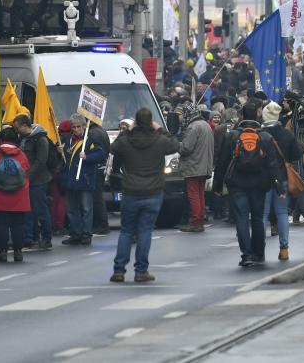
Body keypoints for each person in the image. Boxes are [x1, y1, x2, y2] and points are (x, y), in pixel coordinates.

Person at [110, 108, 180, 282]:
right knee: (145, 231)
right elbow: (176, 145)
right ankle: (141, 270)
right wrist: (160, 129)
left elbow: (113, 148)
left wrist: (126, 131)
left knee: (126, 231)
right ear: (151, 122)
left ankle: (119, 270)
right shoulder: (159, 140)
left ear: (135, 122)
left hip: (131, 191)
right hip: (153, 191)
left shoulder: (126, 141)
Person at [213, 102, 285, 266]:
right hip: (259, 184)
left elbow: (222, 162)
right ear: (257, 116)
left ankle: (246, 255)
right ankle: (259, 253)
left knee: (241, 218)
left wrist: (217, 185)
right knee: (258, 219)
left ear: (242, 117)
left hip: (237, 184)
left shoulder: (232, 135)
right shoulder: (265, 137)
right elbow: (273, 164)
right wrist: (279, 186)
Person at [261, 101, 304, 260]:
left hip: (264, 179)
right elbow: (298, 152)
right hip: (283, 178)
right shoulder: (286, 134)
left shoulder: (260, 134)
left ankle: (260, 249)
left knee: (262, 214)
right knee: (281, 213)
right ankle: (284, 248)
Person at [0, 127, 32, 263]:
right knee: (18, 225)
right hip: (19, 195)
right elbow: (26, 169)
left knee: (1, 225)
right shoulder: (21, 154)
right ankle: (18, 252)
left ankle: (2, 252)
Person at [62, 114, 107, 245]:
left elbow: (101, 154)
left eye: (78, 126)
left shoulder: (90, 139)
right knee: (71, 209)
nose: (76, 129)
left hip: (85, 179)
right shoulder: (69, 140)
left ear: (84, 126)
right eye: (74, 127)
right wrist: (62, 151)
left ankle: (86, 234)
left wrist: (87, 157)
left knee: (86, 208)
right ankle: (75, 233)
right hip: (71, 179)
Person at [13, 114, 54, 249]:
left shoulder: (41, 139)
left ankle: (47, 238)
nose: (16, 130)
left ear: (25, 125)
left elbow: (41, 161)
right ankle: (29, 237)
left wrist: (27, 176)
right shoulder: (23, 139)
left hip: (39, 181)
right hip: (26, 180)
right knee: (27, 210)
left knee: (41, 210)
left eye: (17, 127)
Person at [178, 102, 214, 233]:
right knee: (200, 194)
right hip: (204, 166)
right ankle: (200, 219)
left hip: (194, 166)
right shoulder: (206, 125)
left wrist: (178, 145)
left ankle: (196, 221)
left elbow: (186, 148)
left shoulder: (193, 127)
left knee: (193, 195)